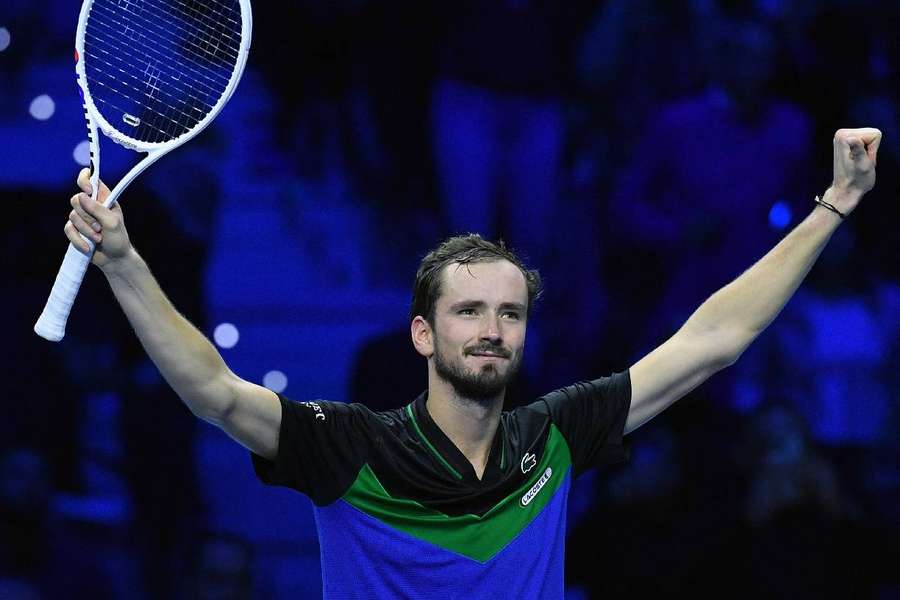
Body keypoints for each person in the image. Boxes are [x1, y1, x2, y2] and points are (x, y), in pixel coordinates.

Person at [60, 128, 882, 598]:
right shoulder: (351, 447)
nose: (491, 330)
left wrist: (834, 205)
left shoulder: (555, 435)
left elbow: (713, 341)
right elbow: (212, 390)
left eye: (509, 313)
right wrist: (126, 262)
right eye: (468, 311)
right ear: (423, 334)